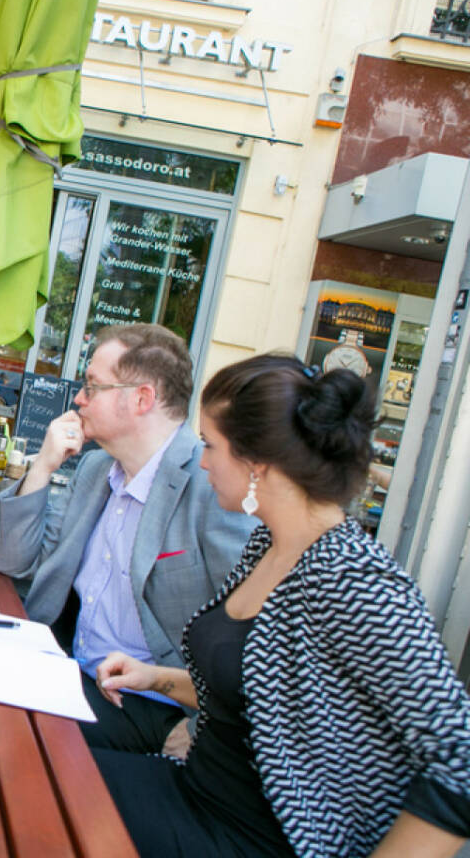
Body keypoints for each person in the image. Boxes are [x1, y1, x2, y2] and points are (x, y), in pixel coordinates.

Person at [93, 355, 470, 857]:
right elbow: (257, 693)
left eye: (210, 445)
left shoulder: (354, 579)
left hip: (261, 838)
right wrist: (152, 676)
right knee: (41, 769)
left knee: (42, 797)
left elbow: (458, 762)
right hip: (194, 793)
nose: (201, 460)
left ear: (257, 461)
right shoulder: (268, 546)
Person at [0, 324, 253, 757]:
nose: (79, 399)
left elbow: (251, 634)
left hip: (154, 705)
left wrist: (201, 723)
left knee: (0, 736)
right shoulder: (95, 472)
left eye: (92, 386)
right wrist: (41, 466)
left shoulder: (212, 485)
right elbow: (16, 561)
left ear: (142, 399)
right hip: (68, 670)